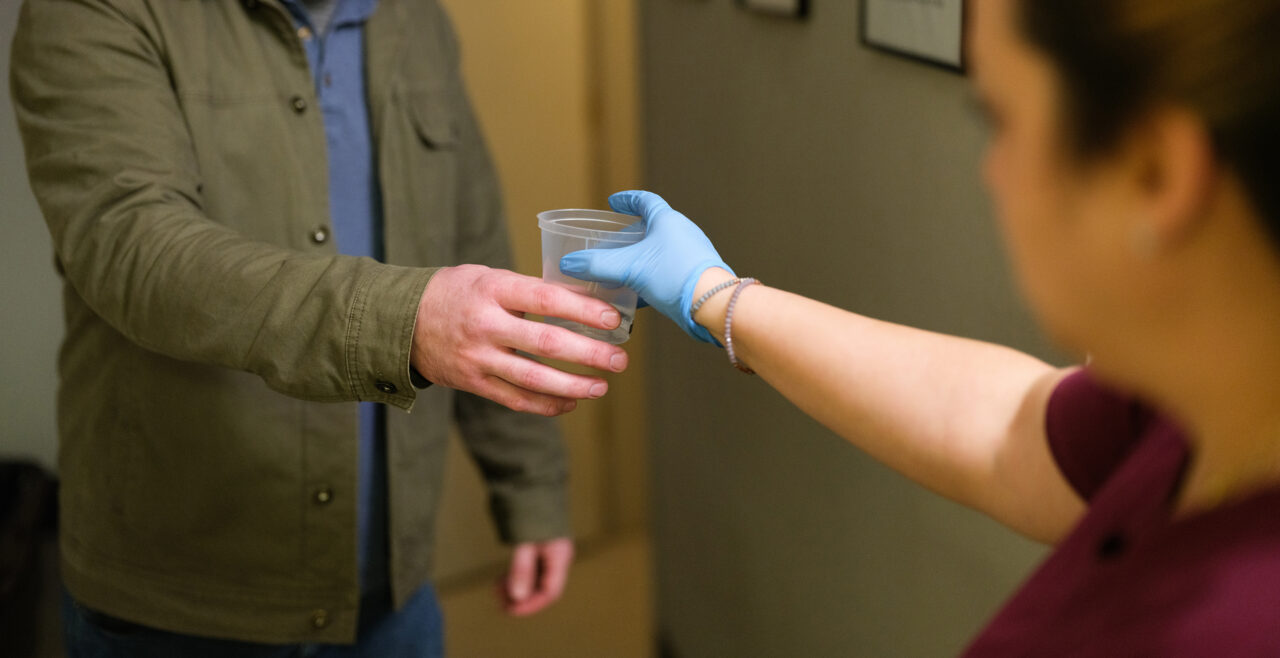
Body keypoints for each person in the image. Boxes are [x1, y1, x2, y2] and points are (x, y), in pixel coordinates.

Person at [562, 0, 1280, 653]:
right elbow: (1008, 428)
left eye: (1000, 120)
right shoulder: (1199, 407)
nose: (990, 173)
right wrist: (712, 294)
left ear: (1154, 172)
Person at [10, 0, 630, 655]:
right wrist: (404, 321)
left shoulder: (415, 18)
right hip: (182, 602)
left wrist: (529, 483)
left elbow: (472, 235)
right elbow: (136, 248)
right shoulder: (89, 10)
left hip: (391, 593)